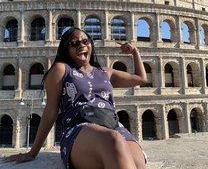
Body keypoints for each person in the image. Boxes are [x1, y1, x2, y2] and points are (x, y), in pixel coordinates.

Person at [3, 27, 148, 169]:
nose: (82, 45)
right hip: (79, 128)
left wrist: (135, 52)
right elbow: (51, 111)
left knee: (138, 162)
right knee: (114, 140)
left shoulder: (105, 72)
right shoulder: (62, 69)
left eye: (86, 41)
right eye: (74, 43)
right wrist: (32, 152)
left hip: (113, 125)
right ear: (67, 49)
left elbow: (141, 79)